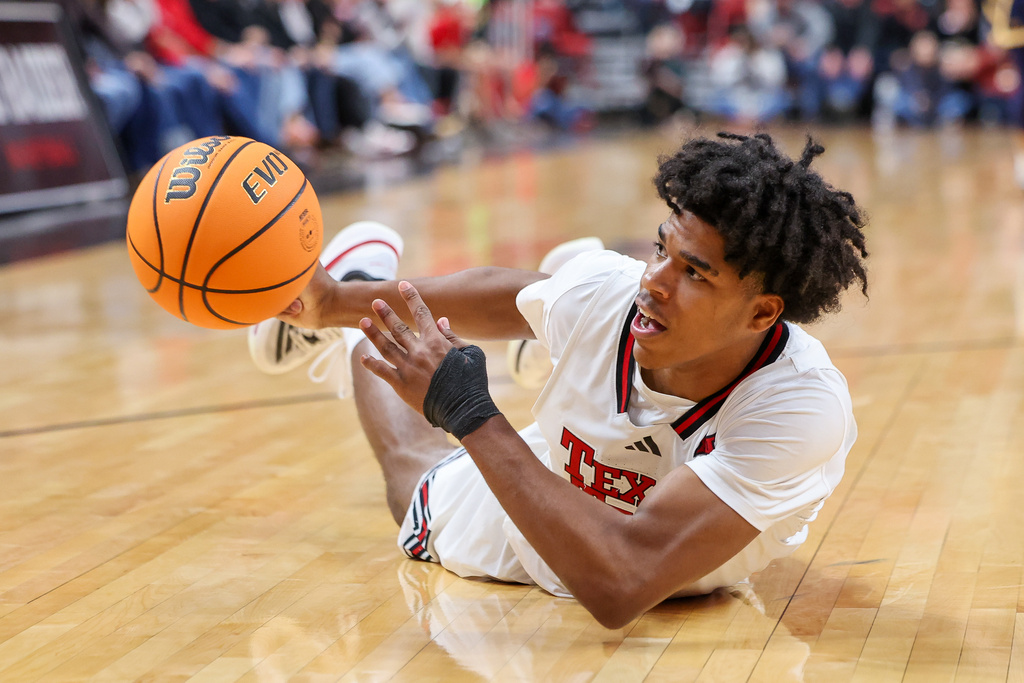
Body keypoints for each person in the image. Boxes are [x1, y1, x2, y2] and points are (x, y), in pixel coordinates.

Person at [247, 133, 869, 628]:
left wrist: (468, 410)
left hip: (604, 530)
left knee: (490, 389)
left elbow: (624, 579)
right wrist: (335, 301)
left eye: (695, 274)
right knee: (412, 474)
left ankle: (545, 361)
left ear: (763, 312)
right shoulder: (612, 291)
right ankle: (353, 298)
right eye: (661, 250)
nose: (653, 279)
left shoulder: (797, 408)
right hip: (552, 483)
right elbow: (508, 298)